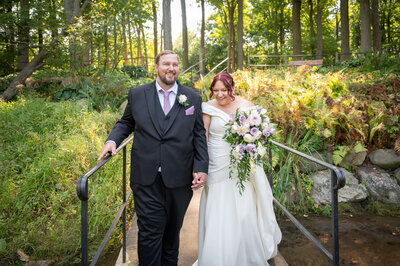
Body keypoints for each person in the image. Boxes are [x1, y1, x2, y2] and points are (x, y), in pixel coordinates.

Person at [98, 50, 208, 266]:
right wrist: (112, 141)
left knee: (171, 233)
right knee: (149, 233)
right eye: (166, 64)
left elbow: (199, 135)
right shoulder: (138, 94)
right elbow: (126, 123)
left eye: (175, 64)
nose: (171, 68)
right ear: (156, 67)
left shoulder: (192, 97)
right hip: (146, 178)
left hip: (180, 178)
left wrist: (202, 167)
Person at [195, 72, 282, 266]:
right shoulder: (207, 108)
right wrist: (199, 167)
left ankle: (244, 253)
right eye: (215, 90)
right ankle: (216, 256)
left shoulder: (247, 106)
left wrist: (253, 143)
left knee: (243, 208)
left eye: (223, 90)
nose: (219, 95)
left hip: (241, 162)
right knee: (218, 207)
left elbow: (259, 135)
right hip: (216, 162)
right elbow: (204, 137)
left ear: (232, 88)